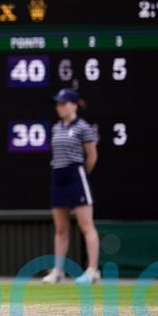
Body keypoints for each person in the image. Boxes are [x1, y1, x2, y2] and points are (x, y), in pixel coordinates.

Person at [42, 89, 101, 285]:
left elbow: (92, 156)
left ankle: (93, 270)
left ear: (74, 105)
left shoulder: (84, 127)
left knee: (86, 225)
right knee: (60, 228)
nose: (60, 107)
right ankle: (58, 271)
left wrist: (81, 174)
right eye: (58, 103)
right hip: (58, 177)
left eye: (64, 103)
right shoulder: (56, 128)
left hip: (76, 176)